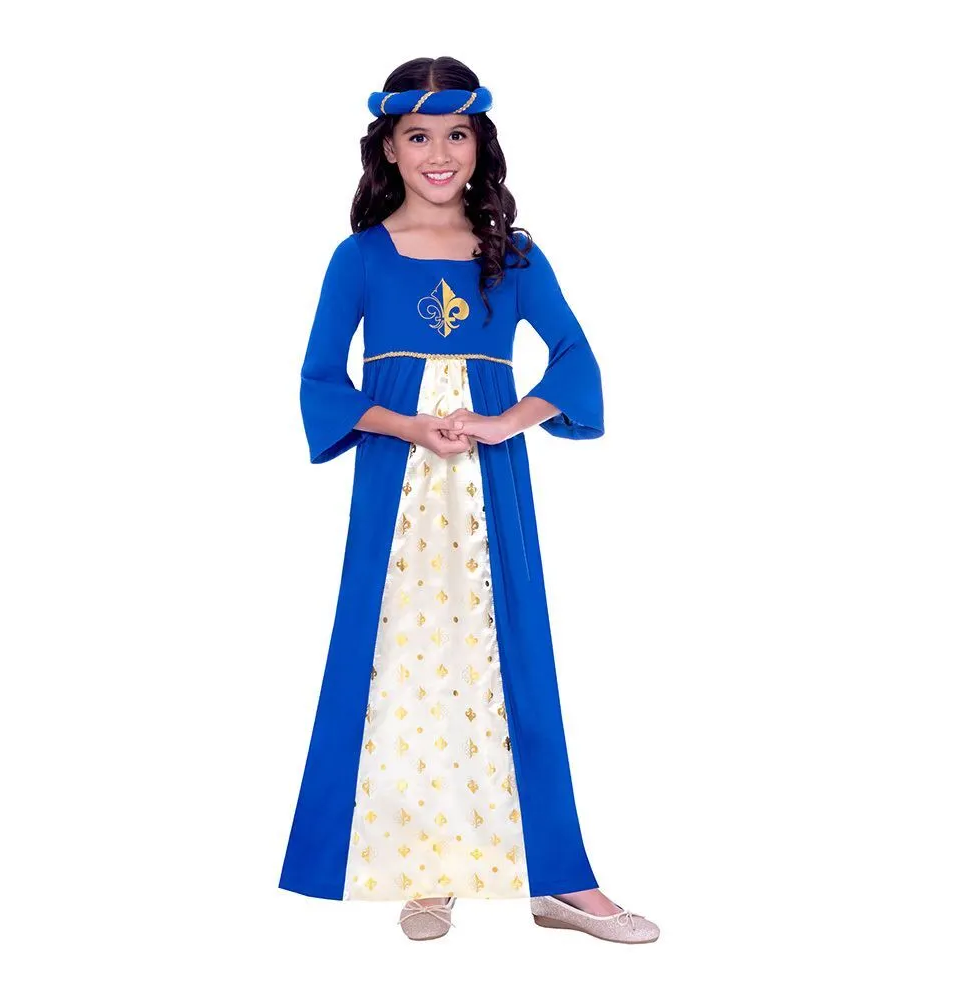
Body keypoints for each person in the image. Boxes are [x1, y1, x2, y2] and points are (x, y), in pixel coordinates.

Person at [278, 56, 660, 945]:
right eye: (418, 137)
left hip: (493, 493)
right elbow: (319, 381)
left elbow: (575, 359)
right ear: (389, 148)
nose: (439, 154)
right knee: (403, 660)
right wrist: (409, 426)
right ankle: (426, 868)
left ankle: (559, 879)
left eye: (456, 134)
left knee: (511, 662)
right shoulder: (359, 258)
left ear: (480, 145)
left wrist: (503, 422)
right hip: (397, 498)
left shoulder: (511, 256)